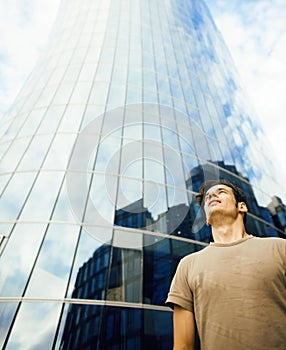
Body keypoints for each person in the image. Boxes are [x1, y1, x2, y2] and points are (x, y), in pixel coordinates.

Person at [166, 180, 286, 349]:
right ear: (206, 219)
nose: (212, 196)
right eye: (208, 197)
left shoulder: (280, 248)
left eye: (221, 192)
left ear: (242, 207)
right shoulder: (187, 265)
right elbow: (182, 346)